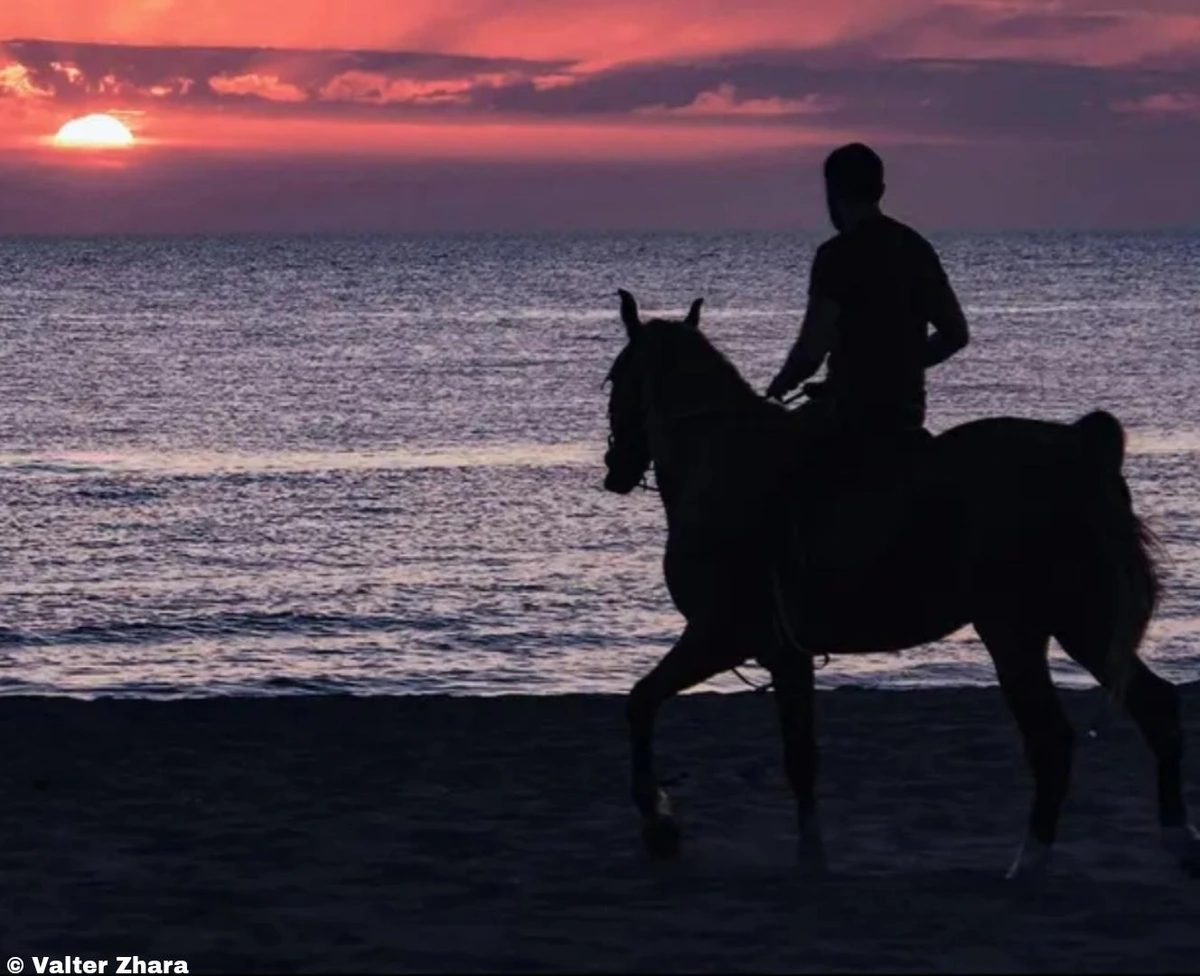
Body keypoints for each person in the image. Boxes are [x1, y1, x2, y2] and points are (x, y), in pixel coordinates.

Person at [766, 143, 970, 441]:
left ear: (833, 191)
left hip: (848, 415)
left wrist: (780, 385)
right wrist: (902, 367)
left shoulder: (836, 256)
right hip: (906, 413)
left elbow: (811, 349)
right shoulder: (915, 248)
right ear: (881, 189)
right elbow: (956, 335)